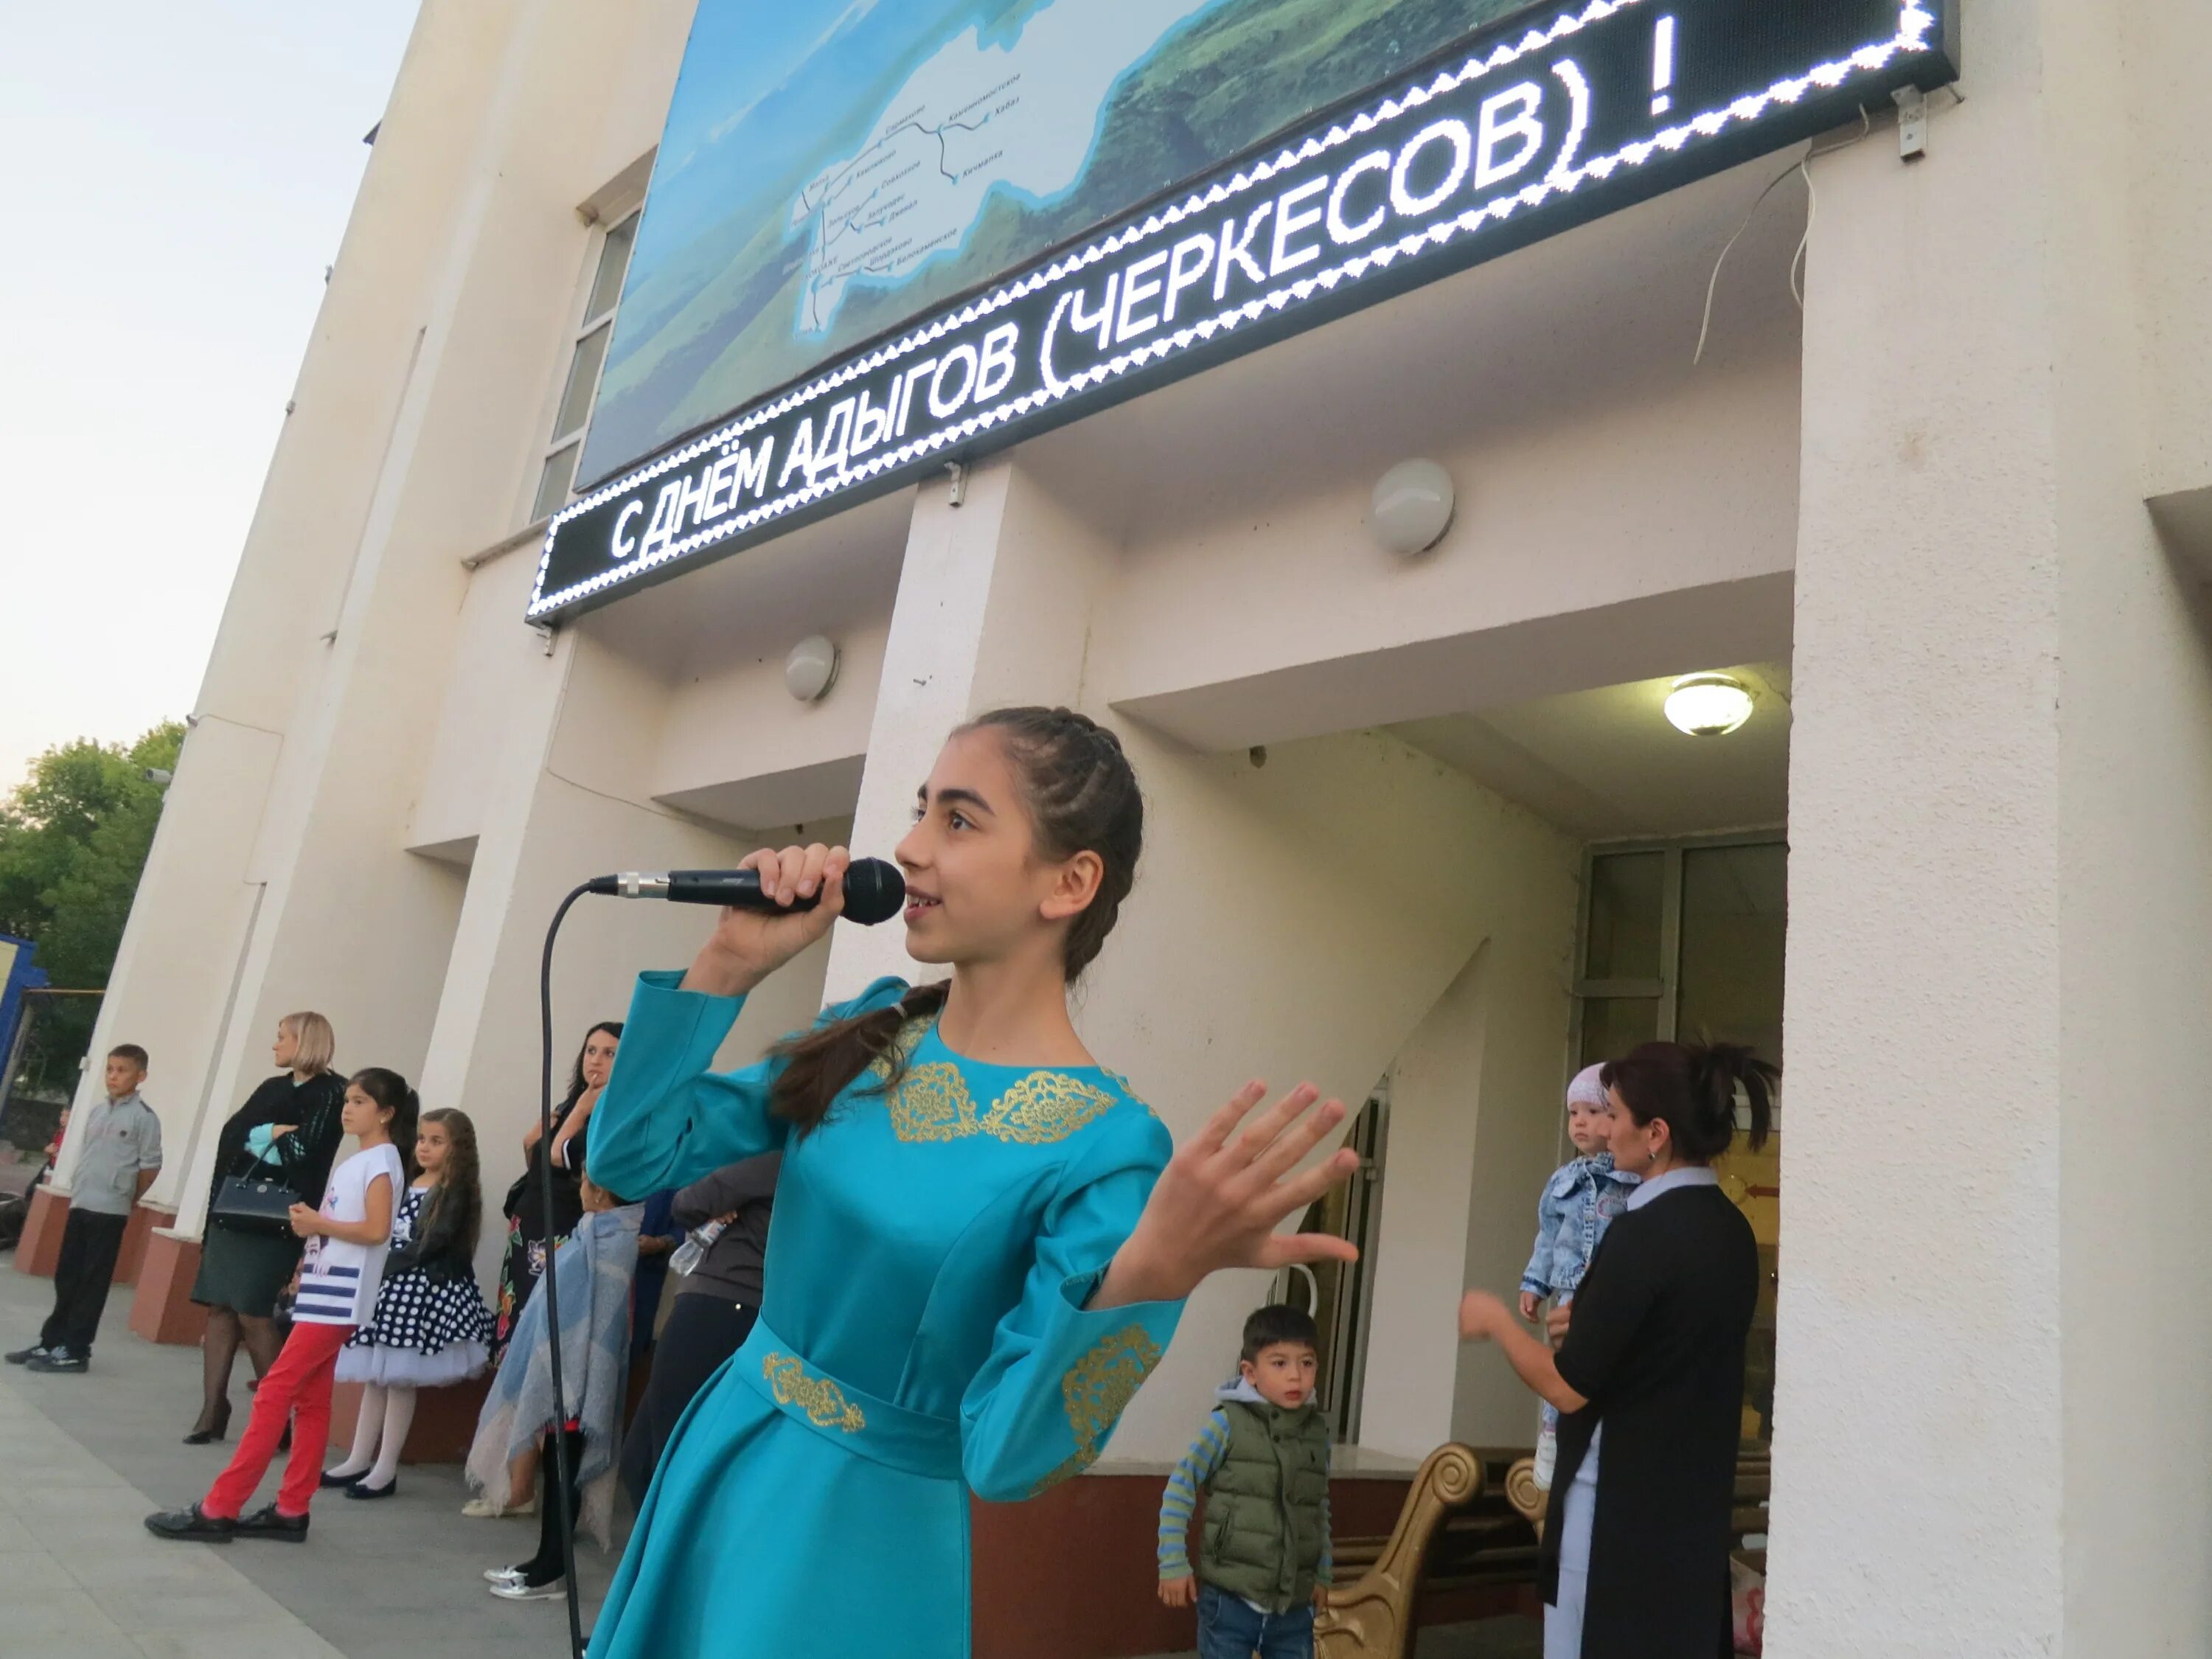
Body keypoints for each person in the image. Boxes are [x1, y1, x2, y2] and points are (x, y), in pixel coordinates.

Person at [581, 706, 1360, 1659]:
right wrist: (726, 964)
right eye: (921, 811)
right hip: (719, 1442)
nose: (909, 847)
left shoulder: (1108, 1143)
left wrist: (1150, 1274)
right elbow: (630, 1158)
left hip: (858, 1534)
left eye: (958, 819)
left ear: (1071, 881)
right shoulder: (876, 1029)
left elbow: (1007, 1456)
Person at [1458, 1040, 1777, 1659]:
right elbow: (1669, 1347)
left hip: (1614, 1519)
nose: (1604, 1133)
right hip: (1689, 1515)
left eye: (1614, 1115)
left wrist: (1498, 1321)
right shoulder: (1730, 1232)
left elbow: (1568, 1385)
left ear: (1655, 1133)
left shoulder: (1643, 1233)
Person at [146, 1068, 414, 1543]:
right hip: (327, 1292)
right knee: (310, 1402)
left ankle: (220, 1508)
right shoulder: (366, 1160)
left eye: (359, 1102)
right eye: (347, 1100)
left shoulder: (380, 1161)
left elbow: (376, 1232)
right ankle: (292, 1508)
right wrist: (311, 1243)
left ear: (386, 1113)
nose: (347, 1109)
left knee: (274, 1393)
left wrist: (316, 1224)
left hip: (339, 1299)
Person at [466, 1019, 621, 1518]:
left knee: (545, 1359)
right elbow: (536, 1151)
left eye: (610, 1053)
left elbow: (560, 1155)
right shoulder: (570, 1107)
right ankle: (515, 1482)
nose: (595, 1060)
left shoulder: (610, 1114)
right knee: (515, 1351)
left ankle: (524, 1488)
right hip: (529, 1235)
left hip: (565, 1242)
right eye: (591, 1050)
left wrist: (576, 1113)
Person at [470, 1175, 641, 1601]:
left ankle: (552, 1573)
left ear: (601, 1193)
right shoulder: (594, 1232)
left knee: (564, 1477)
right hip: (566, 1376)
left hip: (581, 1381)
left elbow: (597, 1320)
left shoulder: (612, 1241)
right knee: (556, 1476)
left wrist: (571, 1377)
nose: (578, 1186)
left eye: (585, 1181)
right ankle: (544, 1561)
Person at [186, 1012, 346, 1444]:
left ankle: (278, 1417)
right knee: (220, 1306)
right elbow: (231, 1134)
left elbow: (306, 1149)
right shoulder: (272, 1087)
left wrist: (261, 1138)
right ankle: (212, 1410)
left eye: (282, 1037)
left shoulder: (334, 1092)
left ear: (304, 1041)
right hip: (234, 1211)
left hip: (277, 1218)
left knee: (255, 1313)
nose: (275, 1045)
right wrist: (270, 1132)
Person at [323, 1106, 495, 1498]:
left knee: (400, 1380)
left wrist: (383, 1263)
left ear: (458, 1149)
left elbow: (430, 1244)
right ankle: (358, 1458)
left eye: (437, 1141)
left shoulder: (453, 1192)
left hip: (419, 1294)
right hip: (391, 1292)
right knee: (376, 1377)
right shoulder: (410, 1181)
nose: (425, 1147)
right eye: (422, 1139)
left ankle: (385, 1469)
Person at [1156, 1304, 1334, 1659]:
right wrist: (1172, 1561)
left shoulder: (1315, 1433)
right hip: (1229, 1599)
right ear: (1250, 1373)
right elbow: (1181, 1484)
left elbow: (1319, 1508)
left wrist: (1322, 1574)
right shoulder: (1228, 1424)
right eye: (1280, 1363)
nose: (1296, 1376)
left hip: (1293, 1606)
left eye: (1307, 1362)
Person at [617, 1150, 781, 1506]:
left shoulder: (774, 1158)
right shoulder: (799, 1164)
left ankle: (670, 1557)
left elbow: (691, 1200)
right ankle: (657, 1556)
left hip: (719, 1304)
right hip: (734, 1306)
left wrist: (713, 1203)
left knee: (667, 1454)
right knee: (643, 1459)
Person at [1517, 1064, 1638, 1489]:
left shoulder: (1632, 1178)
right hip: (1569, 1289)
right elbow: (1547, 1238)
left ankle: (1601, 1438)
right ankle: (1552, 1436)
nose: (1581, 1122)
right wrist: (1535, 1284)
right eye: (1573, 1113)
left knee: (1600, 1366)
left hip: (1605, 1289)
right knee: (1564, 1366)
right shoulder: (1563, 1181)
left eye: (1594, 1111)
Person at [7, 1046, 162, 1374]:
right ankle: (52, 1341)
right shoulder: (97, 1112)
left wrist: (129, 1197)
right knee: (68, 1277)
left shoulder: (143, 1118)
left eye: (122, 1070)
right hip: (82, 1202)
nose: (113, 1076)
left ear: (141, 1076)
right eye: (110, 1069)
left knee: (92, 1282)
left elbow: (150, 1166)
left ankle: (76, 1350)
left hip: (110, 1210)